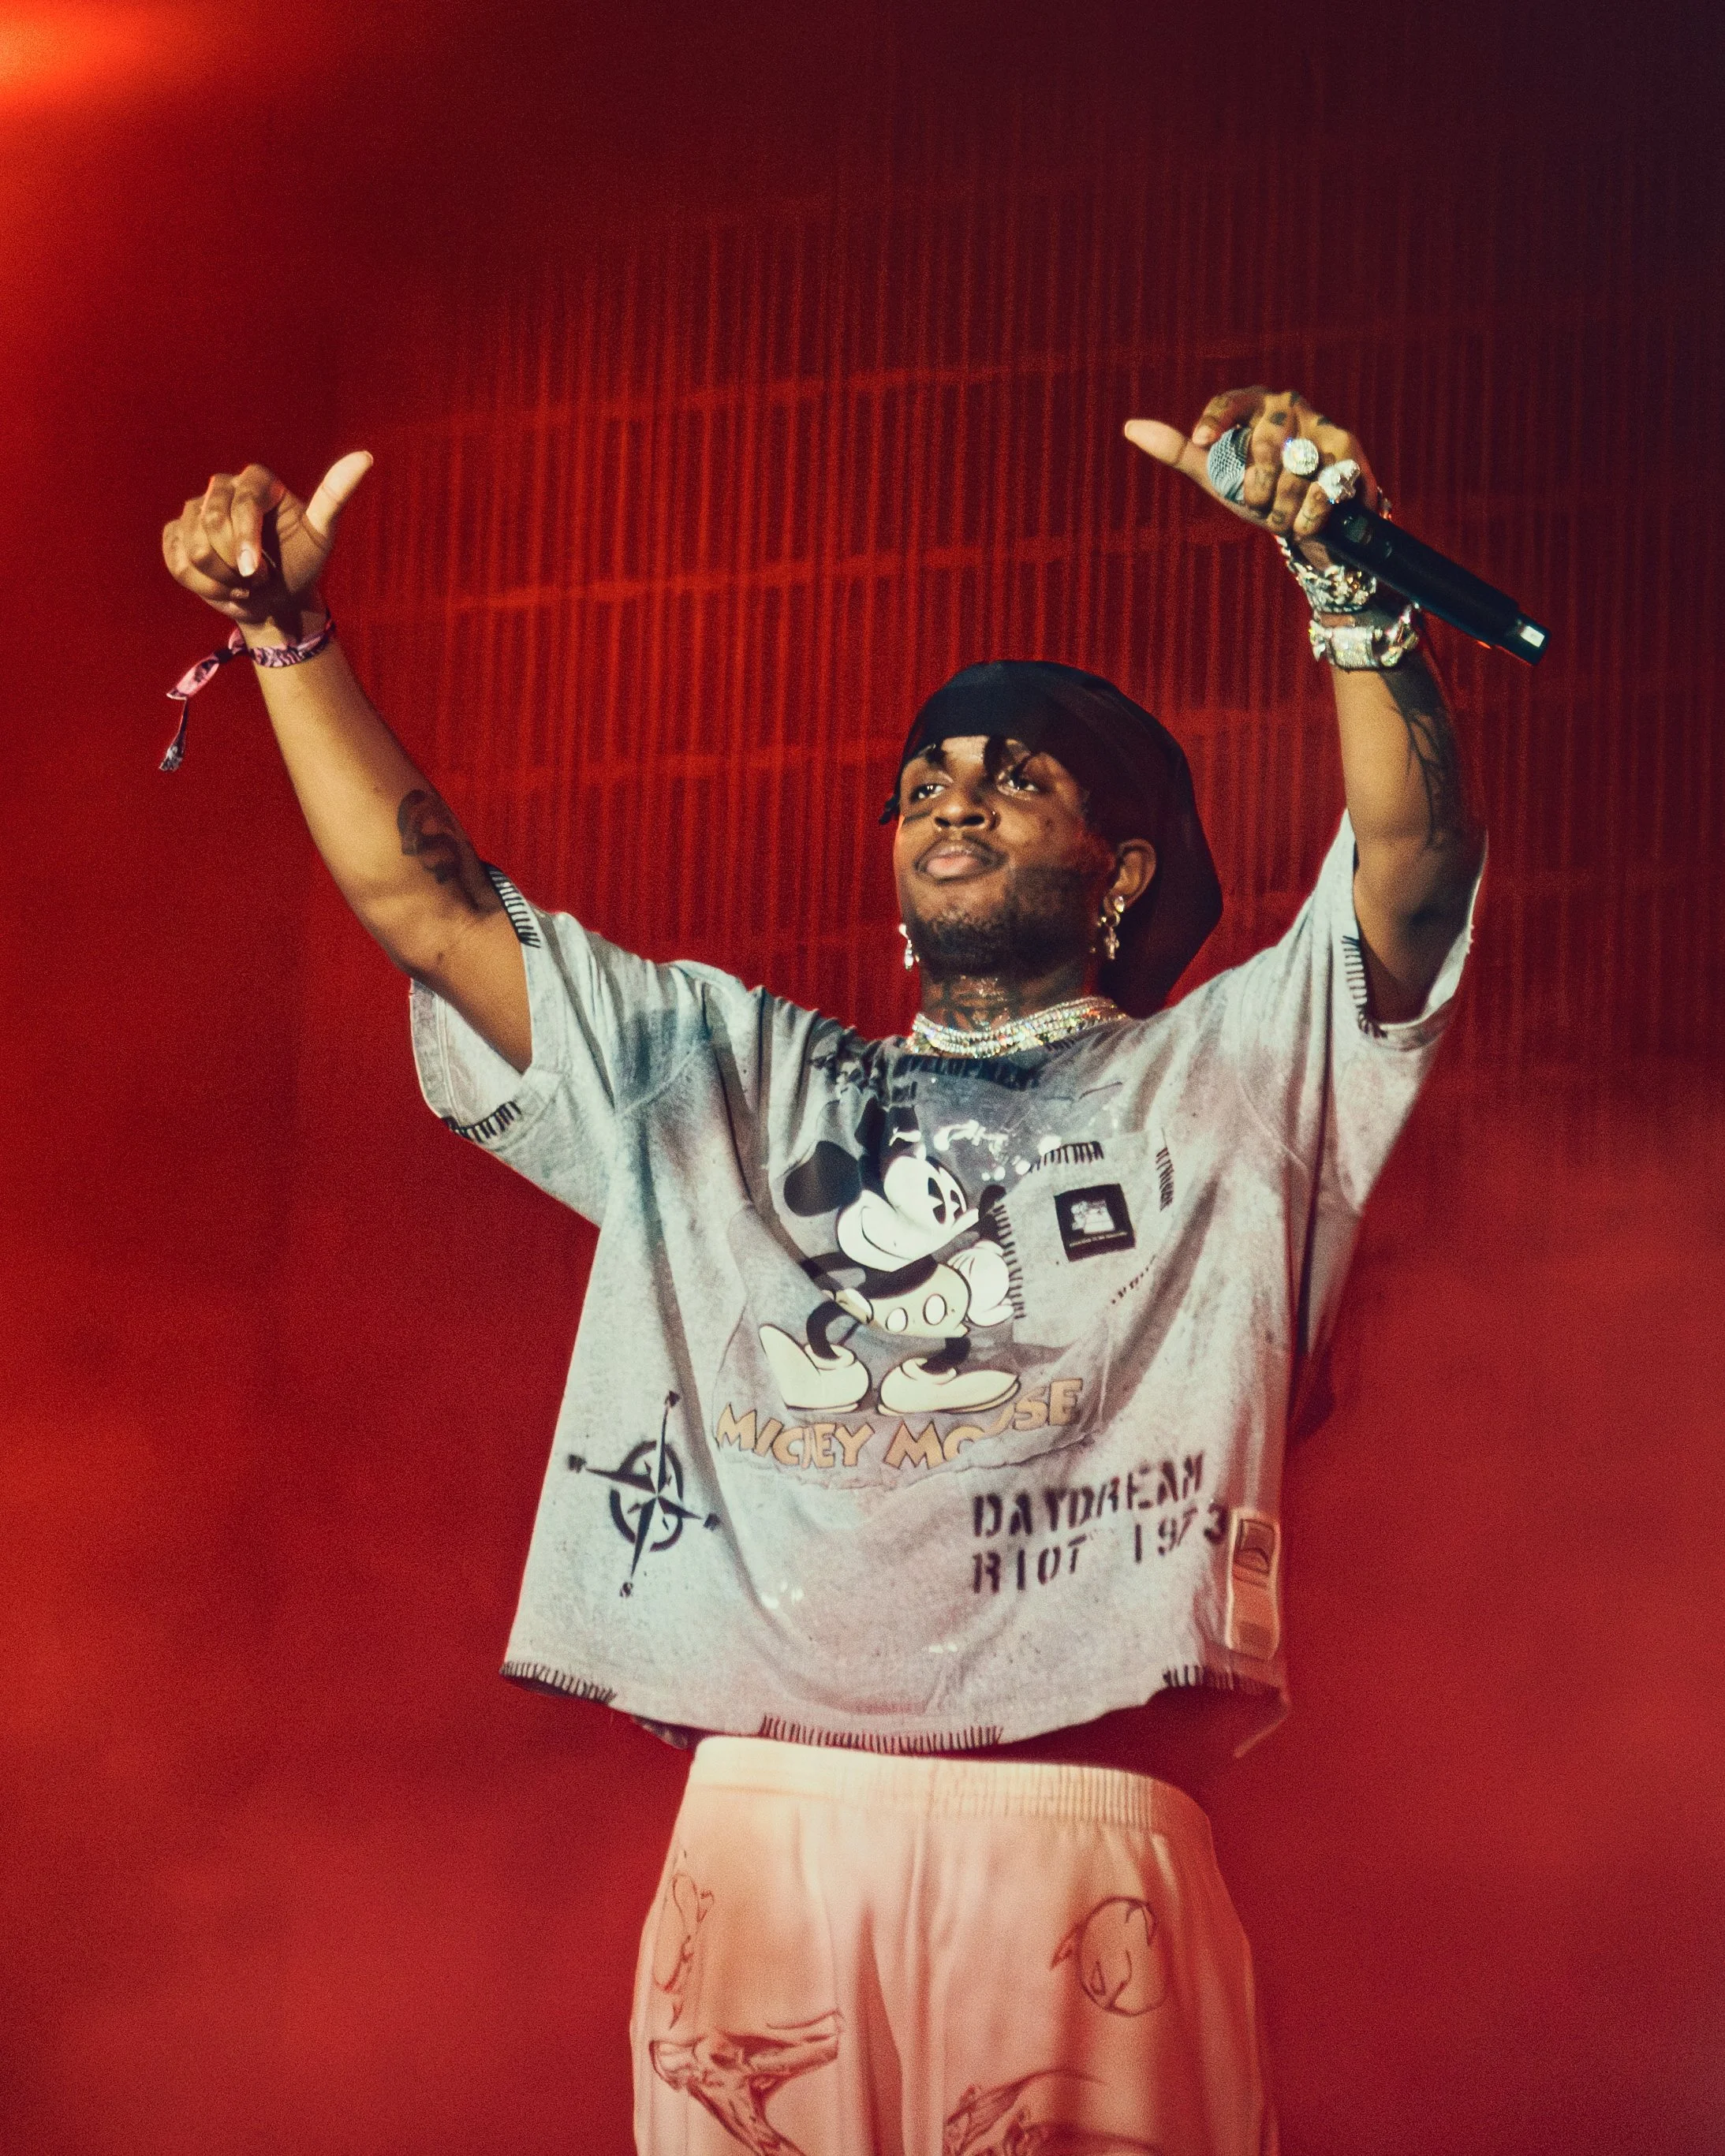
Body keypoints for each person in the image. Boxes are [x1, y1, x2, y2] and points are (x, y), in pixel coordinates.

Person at [162, 384, 1484, 2156]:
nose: (957, 798)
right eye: (925, 778)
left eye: (1017, 776)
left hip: (1082, 1821)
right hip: (766, 1814)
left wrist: (1355, 596)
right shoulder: (728, 1067)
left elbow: (1407, 879)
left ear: (1125, 870)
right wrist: (292, 639)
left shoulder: (1231, 1080)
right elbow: (438, 912)